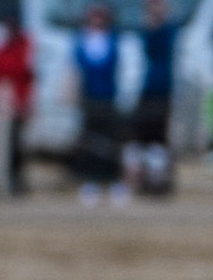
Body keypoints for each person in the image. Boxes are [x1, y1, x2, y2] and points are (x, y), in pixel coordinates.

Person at [72, 2, 124, 205]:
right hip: (89, 97)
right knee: (91, 141)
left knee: (110, 141)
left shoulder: (114, 39)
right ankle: (91, 178)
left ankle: (112, 178)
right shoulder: (82, 40)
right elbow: (75, 70)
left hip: (108, 97)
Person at [0, 15, 34, 193]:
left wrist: (25, 102)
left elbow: (27, 77)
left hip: (16, 102)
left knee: (15, 145)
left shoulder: (25, 49)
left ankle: (14, 180)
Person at [131, 0, 177, 194]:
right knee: (142, 139)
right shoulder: (141, 32)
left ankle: (160, 182)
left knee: (160, 139)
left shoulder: (169, 31)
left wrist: (156, 25)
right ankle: (143, 181)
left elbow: (164, 47)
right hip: (144, 91)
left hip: (162, 92)